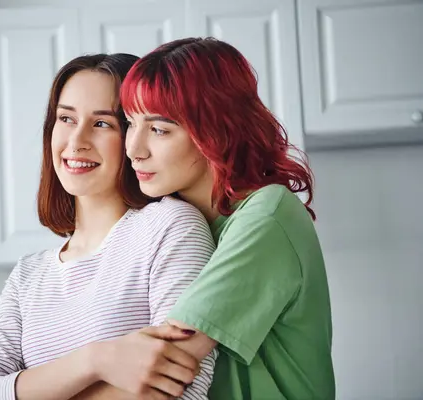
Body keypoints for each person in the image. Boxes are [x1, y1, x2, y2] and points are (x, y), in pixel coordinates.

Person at [0, 53, 218, 400]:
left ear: (133, 136)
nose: (76, 140)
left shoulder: (170, 228)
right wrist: (95, 360)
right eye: (65, 118)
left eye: (102, 124)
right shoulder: (27, 276)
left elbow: (180, 391)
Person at [118, 37, 335, 399]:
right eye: (129, 123)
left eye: (159, 129)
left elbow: (165, 362)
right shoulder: (173, 224)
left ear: (216, 130)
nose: (134, 150)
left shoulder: (266, 216)